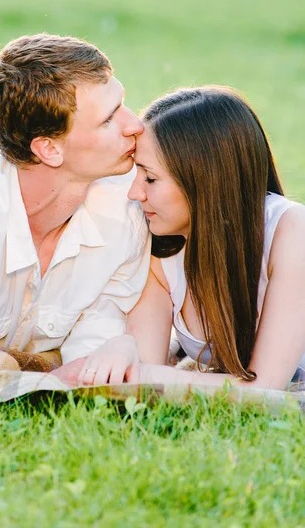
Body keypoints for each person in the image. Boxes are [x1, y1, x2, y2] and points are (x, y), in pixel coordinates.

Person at [0, 33, 150, 372]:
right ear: (49, 149)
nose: (135, 125)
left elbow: (93, 354)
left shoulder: (130, 207)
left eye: (123, 104)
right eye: (109, 119)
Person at [76, 86, 305, 390]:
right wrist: (123, 350)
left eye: (151, 178)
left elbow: (264, 389)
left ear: (207, 182)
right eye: (136, 175)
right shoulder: (161, 250)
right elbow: (140, 378)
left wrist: (143, 373)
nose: (135, 193)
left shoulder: (291, 232)